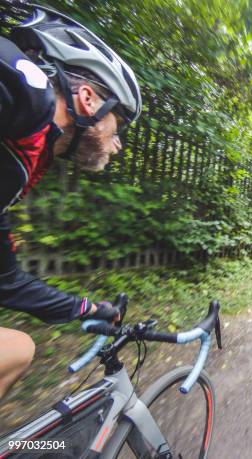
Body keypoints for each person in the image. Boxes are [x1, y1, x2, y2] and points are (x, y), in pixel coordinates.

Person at [0, 4, 141, 399]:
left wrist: (90, 310)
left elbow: (8, 283)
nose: (118, 144)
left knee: (16, 350)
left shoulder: (23, 156)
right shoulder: (29, 94)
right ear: (88, 98)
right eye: (119, 126)